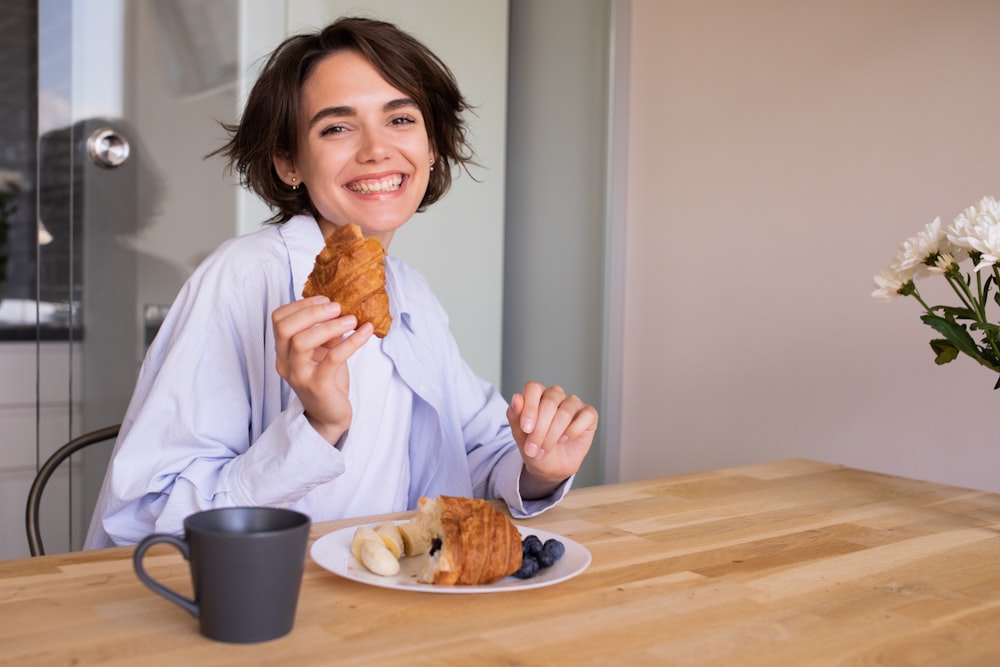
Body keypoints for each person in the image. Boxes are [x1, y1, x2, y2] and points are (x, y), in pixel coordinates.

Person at [85, 16, 598, 549]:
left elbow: (475, 447)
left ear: (431, 146)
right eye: (336, 127)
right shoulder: (244, 278)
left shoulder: (409, 291)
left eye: (400, 119)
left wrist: (540, 461)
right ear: (289, 162)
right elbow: (148, 516)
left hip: (395, 607)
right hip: (274, 609)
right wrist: (316, 426)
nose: (377, 149)